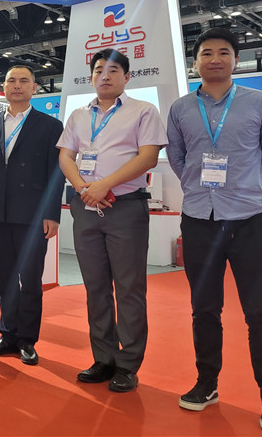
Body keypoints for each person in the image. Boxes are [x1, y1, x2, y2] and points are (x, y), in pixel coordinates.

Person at [167, 28, 262, 434]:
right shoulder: (181, 108)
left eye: (223, 52)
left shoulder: (260, 102)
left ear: (235, 59)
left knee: (260, 312)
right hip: (200, 218)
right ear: (195, 61)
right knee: (204, 308)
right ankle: (207, 383)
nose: (214, 59)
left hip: (251, 218)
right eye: (206, 53)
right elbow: (178, 157)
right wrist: (198, 188)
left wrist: (254, 188)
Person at [57, 48, 166, 393]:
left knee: (129, 288)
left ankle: (128, 364)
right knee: (96, 287)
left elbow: (148, 157)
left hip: (126, 208)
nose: (105, 75)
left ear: (126, 77)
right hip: (85, 207)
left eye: (114, 70)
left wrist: (105, 184)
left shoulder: (143, 111)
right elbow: (66, 156)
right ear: (91, 76)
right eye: (99, 69)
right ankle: (103, 358)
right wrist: (83, 187)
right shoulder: (78, 115)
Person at [0, 66, 64, 364]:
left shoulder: (50, 125)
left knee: (31, 280)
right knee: (5, 278)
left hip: (33, 213)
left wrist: (52, 213)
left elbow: (56, 173)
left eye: (24, 81)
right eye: (11, 80)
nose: (17, 85)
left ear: (34, 88)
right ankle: (8, 333)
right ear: (3, 86)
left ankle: (27, 339)